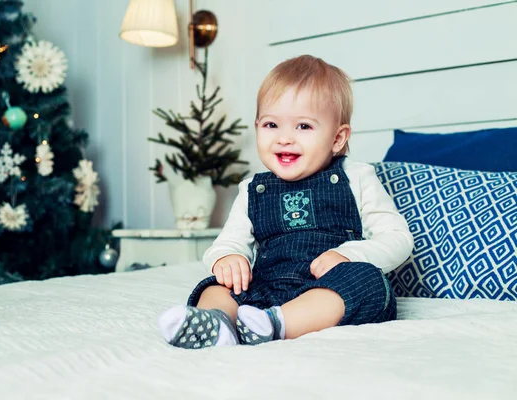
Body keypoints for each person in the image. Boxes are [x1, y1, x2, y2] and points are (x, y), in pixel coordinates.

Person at [158, 55, 414, 349]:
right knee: (218, 285)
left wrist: (349, 255)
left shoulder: (356, 177)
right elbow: (227, 243)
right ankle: (217, 323)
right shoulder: (252, 190)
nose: (284, 138)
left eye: (303, 126)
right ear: (256, 127)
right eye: (271, 125)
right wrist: (228, 259)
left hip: (328, 289)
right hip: (267, 291)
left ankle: (278, 324)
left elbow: (398, 238)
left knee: (367, 281)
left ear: (337, 138)